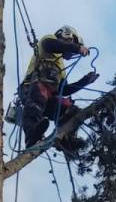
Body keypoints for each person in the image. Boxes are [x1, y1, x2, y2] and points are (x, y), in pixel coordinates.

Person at [18, 26, 98, 155]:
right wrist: (77, 48)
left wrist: (84, 81)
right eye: (72, 44)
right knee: (40, 93)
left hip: (49, 97)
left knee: (69, 107)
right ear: (67, 36)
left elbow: (63, 90)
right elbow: (53, 45)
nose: (71, 54)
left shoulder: (61, 66)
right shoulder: (48, 41)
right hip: (32, 89)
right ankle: (31, 133)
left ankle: (66, 138)